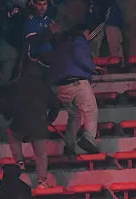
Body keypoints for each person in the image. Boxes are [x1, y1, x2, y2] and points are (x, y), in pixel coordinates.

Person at [0, 61, 61, 187]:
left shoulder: (17, 84)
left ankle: (19, 161)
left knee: (12, 135)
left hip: (20, 123)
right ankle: (42, 181)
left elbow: (8, 106)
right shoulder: (43, 86)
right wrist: (48, 121)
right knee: (41, 154)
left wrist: (7, 115)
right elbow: (56, 105)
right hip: (39, 125)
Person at [50, 25, 100, 155]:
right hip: (77, 82)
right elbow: (80, 55)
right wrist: (92, 67)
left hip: (61, 86)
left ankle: (69, 144)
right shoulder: (78, 40)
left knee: (74, 115)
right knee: (90, 110)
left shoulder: (59, 44)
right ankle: (88, 138)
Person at [25, 0, 55, 70]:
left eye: (44, 4)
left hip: (49, 60)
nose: (42, 7)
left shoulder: (47, 19)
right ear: (34, 5)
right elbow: (33, 41)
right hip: (35, 61)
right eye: (39, 4)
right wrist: (51, 31)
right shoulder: (32, 19)